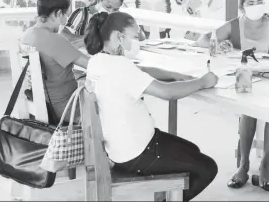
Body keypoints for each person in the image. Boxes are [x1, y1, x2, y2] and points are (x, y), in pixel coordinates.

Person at [83, 11, 219, 202]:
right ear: (118, 36)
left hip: (122, 148)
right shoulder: (120, 67)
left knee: (192, 150)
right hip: (139, 152)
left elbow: (140, 71)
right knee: (207, 168)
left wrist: (176, 75)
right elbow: (167, 93)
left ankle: (167, 197)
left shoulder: (97, 62)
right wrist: (202, 82)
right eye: (135, 36)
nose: (138, 41)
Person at [195, 0, 269, 192]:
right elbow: (203, 40)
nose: (256, 6)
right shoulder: (235, 25)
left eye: (259, 1)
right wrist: (219, 45)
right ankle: (244, 164)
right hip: (245, 80)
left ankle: (264, 164)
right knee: (248, 111)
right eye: (251, 3)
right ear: (242, 7)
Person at [22, 0, 90, 125]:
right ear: (58, 13)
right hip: (67, 109)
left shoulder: (28, 35)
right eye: (65, 13)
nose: (66, 18)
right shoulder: (54, 39)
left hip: (45, 103)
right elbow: (92, 66)